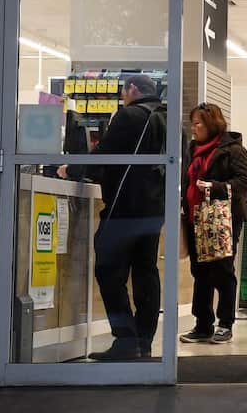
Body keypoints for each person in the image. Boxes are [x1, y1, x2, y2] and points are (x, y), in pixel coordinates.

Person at [63, 74, 168, 361]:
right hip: (155, 210)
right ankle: (144, 341)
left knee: (108, 271)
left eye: (123, 92)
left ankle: (125, 339)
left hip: (124, 208)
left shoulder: (129, 116)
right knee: (146, 274)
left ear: (132, 89)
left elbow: (105, 155)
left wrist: (71, 169)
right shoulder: (170, 120)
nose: (123, 97)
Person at [179, 103, 247, 345]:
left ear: (211, 124)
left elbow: (246, 181)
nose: (194, 128)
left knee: (222, 271)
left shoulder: (233, 150)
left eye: (198, 123)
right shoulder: (192, 150)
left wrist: (215, 187)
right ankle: (202, 324)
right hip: (195, 218)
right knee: (200, 272)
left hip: (223, 219)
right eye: (193, 123)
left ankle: (225, 323)